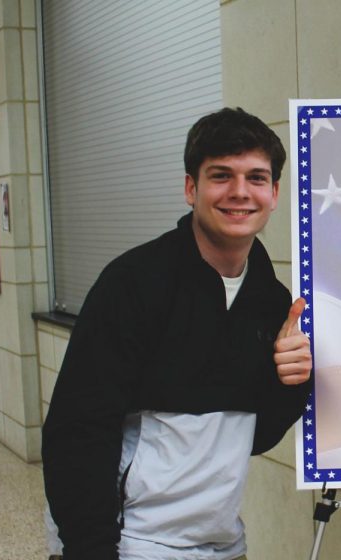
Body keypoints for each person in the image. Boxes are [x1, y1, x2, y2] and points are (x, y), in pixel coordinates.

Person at [42, 108, 312, 560]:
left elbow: (254, 436)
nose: (240, 192)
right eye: (221, 176)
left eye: (256, 178)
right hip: (127, 542)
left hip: (222, 543)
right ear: (191, 188)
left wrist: (291, 383)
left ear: (275, 192)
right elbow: (79, 429)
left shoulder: (271, 301)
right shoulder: (132, 284)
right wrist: (91, 548)